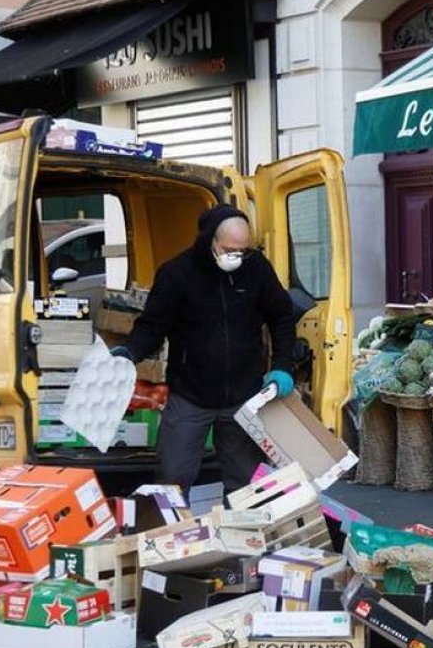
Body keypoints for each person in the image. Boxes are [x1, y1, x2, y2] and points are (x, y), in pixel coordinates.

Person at [112, 205, 297, 495]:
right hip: (190, 395)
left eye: (243, 250)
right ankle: (171, 537)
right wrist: (129, 353)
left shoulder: (257, 268)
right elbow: (152, 326)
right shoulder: (177, 274)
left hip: (243, 396)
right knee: (172, 479)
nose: (237, 256)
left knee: (245, 485)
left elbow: (282, 316)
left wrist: (283, 366)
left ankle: (241, 538)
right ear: (210, 240)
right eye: (229, 249)